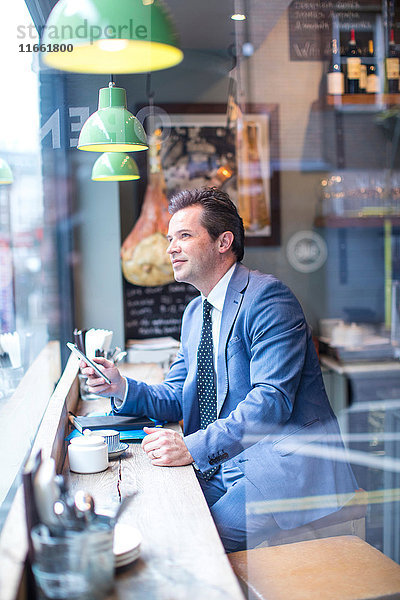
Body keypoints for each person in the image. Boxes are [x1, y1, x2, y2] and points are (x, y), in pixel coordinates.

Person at [82, 187, 357, 553]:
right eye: (169, 238)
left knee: (197, 544)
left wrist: (191, 446)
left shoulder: (269, 298)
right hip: (228, 461)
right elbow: (178, 397)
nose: (170, 248)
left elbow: (271, 402)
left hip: (282, 468)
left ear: (223, 241)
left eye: (184, 236)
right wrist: (120, 387)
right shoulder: (195, 313)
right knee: (159, 518)